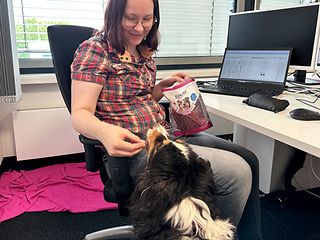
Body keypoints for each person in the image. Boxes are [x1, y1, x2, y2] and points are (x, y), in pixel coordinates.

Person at [70, 0, 263, 239]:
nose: (140, 28)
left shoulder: (142, 49)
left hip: (164, 135)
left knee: (249, 160)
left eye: (147, 19)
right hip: (131, 146)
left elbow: (139, 98)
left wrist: (161, 87)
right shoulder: (94, 50)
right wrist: (103, 132)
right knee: (236, 174)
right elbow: (80, 114)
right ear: (114, 15)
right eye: (131, 18)